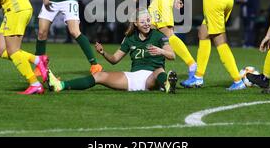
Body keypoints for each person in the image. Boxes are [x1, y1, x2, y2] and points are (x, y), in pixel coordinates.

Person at [47, 8, 178, 93]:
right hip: (133, 78)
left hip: (152, 77)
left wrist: (161, 51)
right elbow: (115, 60)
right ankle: (60, 85)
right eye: (143, 21)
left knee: (159, 71)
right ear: (136, 23)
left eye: (148, 20)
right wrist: (103, 53)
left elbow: (172, 55)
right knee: (99, 75)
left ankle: (166, 84)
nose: (147, 24)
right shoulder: (129, 38)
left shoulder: (159, 36)